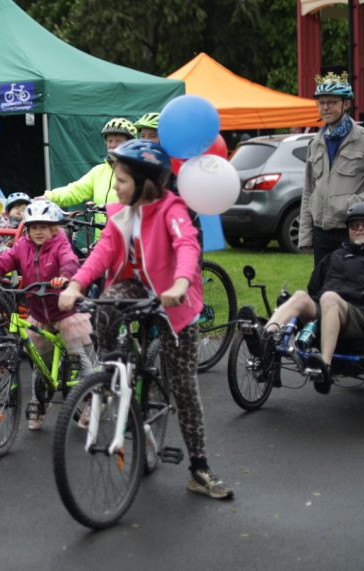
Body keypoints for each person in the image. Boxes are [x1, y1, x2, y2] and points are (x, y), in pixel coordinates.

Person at [57, 139, 234, 500]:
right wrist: (76, 284)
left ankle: (199, 468)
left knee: (183, 385)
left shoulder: (173, 209)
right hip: (136, 285)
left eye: (122, 180)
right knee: (105, 305)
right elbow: (103, 251)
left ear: (145, 182)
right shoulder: (121, 214)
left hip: (175, 299)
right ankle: (111, 373)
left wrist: (182, 283)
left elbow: (187, 246)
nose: (116, 185)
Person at [0, 200, 95, 430]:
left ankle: (93, 398)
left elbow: (70, 262)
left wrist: (64, 277)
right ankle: (39, 402)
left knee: (78, 356)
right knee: (39, 361)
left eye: (43, 227)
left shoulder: (60, 244)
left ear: (54, 228)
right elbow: (2, 261)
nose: (38, 231)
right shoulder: (22, 246)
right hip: (38, 313)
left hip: (64, 312)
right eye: (33, 227)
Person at [257, 202, 364, 394]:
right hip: (328, 312)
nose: (360, 230)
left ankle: (325, 366)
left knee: (330, 298)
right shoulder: (335, 257)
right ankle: (265, 339)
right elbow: (314, 290)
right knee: (300, 296)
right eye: (355, 226)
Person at [300, 73, 364, 267]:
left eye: (332, 102)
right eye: (321, 102)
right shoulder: (315, 143)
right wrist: (305, 235)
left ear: (346, 104)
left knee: (351, 287)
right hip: (321, 232)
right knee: (322, 289)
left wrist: (357, 205)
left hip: (352, 230)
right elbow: (309, 190)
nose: (325, 107)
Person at [43, 117, 137, 211]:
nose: (112, 145)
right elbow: (76, 190)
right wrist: (49, 197)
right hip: (102, 226)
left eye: (118, 141)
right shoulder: (98, 171)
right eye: (110, 141)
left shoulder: (138, 172)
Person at [0, 191, 30, 256]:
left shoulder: (28, 224)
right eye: (16, 208)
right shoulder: (0, 219)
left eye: (23, 209)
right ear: (8, 212)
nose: (19, 210)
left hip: (16, 250)